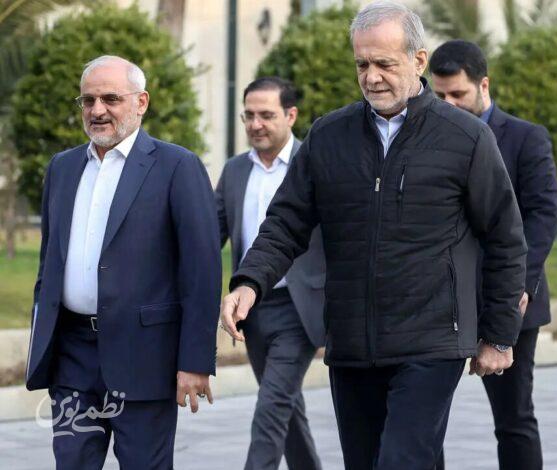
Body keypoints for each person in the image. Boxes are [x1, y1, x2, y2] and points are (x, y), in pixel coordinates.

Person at [220, 2, 527, 468]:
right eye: (362, 64)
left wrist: (499, 335)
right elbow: (285, 222)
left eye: (384, 63)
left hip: (431, 342)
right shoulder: (328, 136)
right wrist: (250, 281)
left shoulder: (465, 138)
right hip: (351, 344)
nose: (372, 77)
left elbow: (504, 237)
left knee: (401, 460)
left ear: (418, 61)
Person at [25, 55, 222, 469]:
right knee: (72, 462)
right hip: (73, 358)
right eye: (88, 100)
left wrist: (195, 361)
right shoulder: (62, 168)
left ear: (141, 102)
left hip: (144, 357)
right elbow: (49, 263)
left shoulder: (177, 166)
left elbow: (201, 272)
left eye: (111, 99)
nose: (97, 110)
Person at [430, 39, 557, 470]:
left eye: (458, 94)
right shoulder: (425, 140)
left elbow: (542, 216)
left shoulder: (526, 138)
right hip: (439, 302)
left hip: (509, 299)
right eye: (440, 96)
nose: (448, 104)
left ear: (483, 86)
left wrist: (518, 287)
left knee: (513, 418)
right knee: (424, 420)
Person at [215, 77, 325, 470]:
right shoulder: (234, 171)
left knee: (272, 403)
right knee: (285, 407)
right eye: (249, 115)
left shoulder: (312, 164)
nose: (255, 124)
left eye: (266, 115)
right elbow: (211, 234)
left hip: (300, 307)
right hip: (253, 310)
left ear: (290, 115)